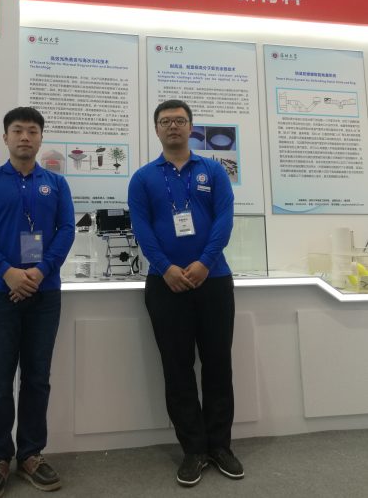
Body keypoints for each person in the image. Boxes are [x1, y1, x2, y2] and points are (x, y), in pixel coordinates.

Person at [127, 99, 243, 487]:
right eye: (166, 121)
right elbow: (142, 228)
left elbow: (224, 219)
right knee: (177, 369)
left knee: (218, 365)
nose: (173, 126)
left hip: (214, 280)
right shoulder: (143, 178)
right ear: (156, 130)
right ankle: (193, 450)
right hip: (166, 285)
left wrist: (205, 262)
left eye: (179, 120)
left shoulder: (214, 170)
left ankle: (220, 446)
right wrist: (166, 268)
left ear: (191, 128)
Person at [0, 107, 75, 497]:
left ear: (41, 138)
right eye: (17, 130)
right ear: (5, 138)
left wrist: (40, 272)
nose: (25, 137)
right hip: (0, 294)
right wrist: (7, 273)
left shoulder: (56, 184)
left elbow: (66, 230)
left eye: (32, 131)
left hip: (44, 294)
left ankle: (31, 454)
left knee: (37, 378)